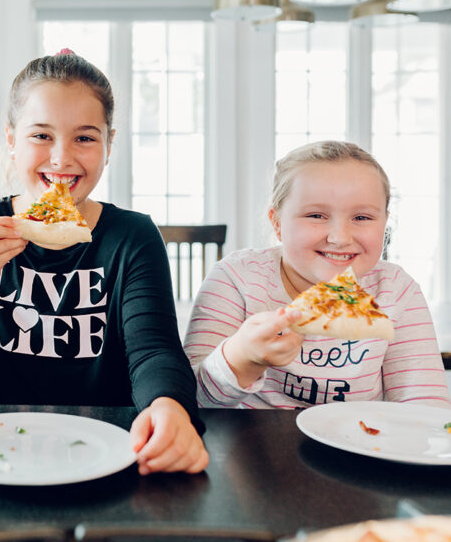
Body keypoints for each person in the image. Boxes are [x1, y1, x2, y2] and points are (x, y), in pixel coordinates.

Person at [0, 50, 208, 475]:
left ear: (109, 145)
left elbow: (153, 352)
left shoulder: (131, 237)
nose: (61, 159)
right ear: (11, 139)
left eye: (85, 137)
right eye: (41, 136)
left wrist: (168, 407)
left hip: (108, 451)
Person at [184, 140, 450, 409]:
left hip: (359, 445)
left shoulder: (396, 291)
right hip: (250, 447)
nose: (339, 237)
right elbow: (190, 398)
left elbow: (426, 408)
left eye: (362, 218)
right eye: (316, 215)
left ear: (384, 222)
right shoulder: (237, 279)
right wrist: (243, 357)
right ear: (277, 223)